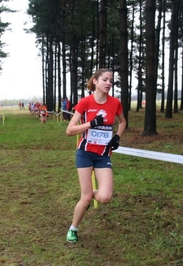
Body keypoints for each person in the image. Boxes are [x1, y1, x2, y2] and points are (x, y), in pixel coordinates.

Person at [65, 68, 126, 243]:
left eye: (111, 81)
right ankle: (73, 229)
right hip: (85, 153)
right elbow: (69, 130)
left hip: (103, 155)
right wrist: (90, 124)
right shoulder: (85, 102)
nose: (109, 83)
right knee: (85, 198)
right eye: (105, 80)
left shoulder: (115, 103)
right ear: (95, 82)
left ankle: (88, 193)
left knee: (105, 197)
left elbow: (123, 122)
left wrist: (117, 137)